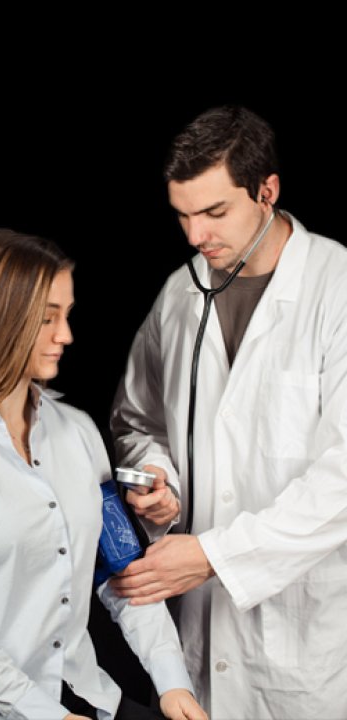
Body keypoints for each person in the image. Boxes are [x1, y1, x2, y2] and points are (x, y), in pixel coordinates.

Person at [0, 230, 205, 720]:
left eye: (67, 315)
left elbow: (124, 573)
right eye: (47, 317)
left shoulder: (77, 433)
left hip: (85, 695)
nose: (66, 335)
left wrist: (173, 683)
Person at [109, 106, 347, 718]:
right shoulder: (179, 292)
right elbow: (138, 422)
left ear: (267, 192)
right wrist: (160, 484)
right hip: (198, 638)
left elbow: (343, 475)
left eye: (215, 213)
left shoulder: (338, 287)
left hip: (303, 635)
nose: (195, 237)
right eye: (183, 215)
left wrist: (215, 555)